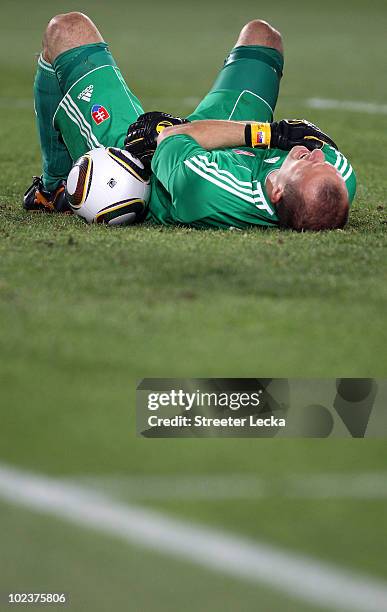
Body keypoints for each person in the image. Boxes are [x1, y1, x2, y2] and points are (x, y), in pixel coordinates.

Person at [24, 13, 356, 230]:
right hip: (229, 143)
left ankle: (54, 187)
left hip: (153, 160)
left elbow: (173, 137)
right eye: (319, 160)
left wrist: (273, 133)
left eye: (305, 163)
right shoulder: (334, 183)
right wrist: (280, 143)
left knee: (66, 30)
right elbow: (325, 156)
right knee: (262, 35)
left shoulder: (210, 192)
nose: (314, 154)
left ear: (278, 192)